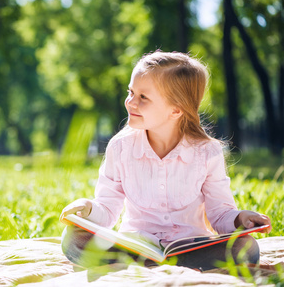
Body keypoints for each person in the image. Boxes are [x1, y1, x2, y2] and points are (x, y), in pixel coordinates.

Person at [59, 51, 272, 271]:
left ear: (176, 109)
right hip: (135, 245)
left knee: (246, 247)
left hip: (192, 247)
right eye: (131, 92)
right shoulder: (120, 147)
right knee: (73, 239)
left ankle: (149, 266)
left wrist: (241, 219)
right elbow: (107, 208)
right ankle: (152, 262)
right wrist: (87, 208)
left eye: (143, 97)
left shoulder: (208, 152)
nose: (130, 102)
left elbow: (220, 214)